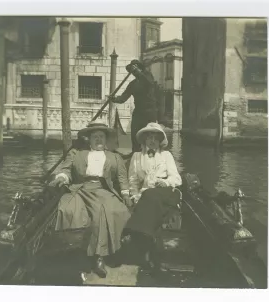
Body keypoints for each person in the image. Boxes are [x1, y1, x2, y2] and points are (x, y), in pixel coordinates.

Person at [49, 119, 132, 278]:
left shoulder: (115, 157)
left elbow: (122, 179)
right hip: (80, 188)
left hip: (103, 189)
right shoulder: (77, 154)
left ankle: (99, 256)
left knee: (104, 211)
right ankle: (71, 250)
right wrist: (61, 178)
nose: (99, 139)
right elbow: (65, 170)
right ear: (89, 139)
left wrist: (126, 194)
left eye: (101, 136)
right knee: (66, 209)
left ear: (106, 139)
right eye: (95, 137)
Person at [122, 122, 182, 266]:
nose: (152, 140)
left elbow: (177, 178)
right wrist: (134, 195)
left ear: (160, 140)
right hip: (146, 194)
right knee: (147, 196)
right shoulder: (137, 156)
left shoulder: (166, 155)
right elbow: (133, 180)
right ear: (144, 140)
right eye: (149, 137)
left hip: (167, 192)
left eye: (155, 137)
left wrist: (165, 182)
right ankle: (147, 242)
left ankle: (131, 231)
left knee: (149, 196)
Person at [110, 60, 158, 153]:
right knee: (135, 135)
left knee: (150, 135)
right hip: (138, 112)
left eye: (135, 69)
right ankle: (135, 154)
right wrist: (114, 98)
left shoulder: (148, 77)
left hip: (150, 112)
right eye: (132, 70)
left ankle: (151, 154)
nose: (133, 72)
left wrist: (138, 72)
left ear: (140, 68)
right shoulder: (132, 84)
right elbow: (123, 98)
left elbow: (149, 84)